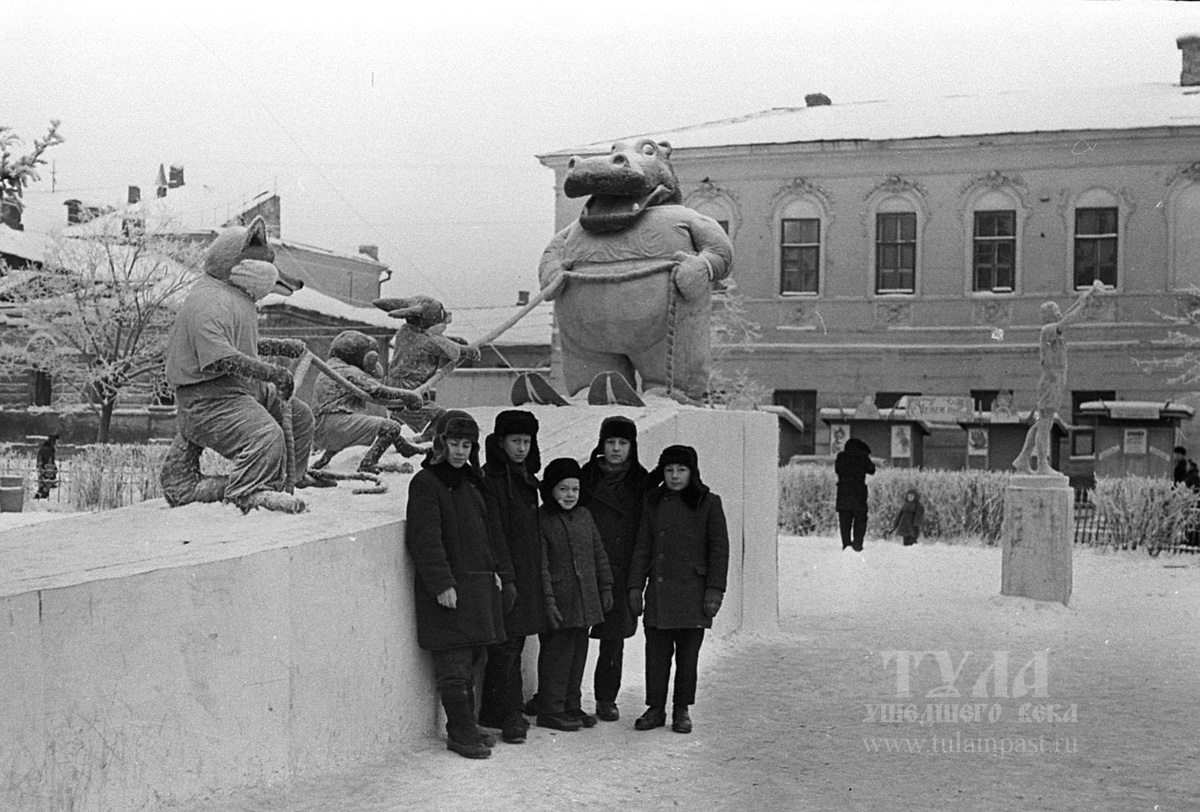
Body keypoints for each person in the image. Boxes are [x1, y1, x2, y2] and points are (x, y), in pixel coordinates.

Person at [405, 410, 511, 759]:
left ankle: (464, 724)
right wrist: (441, 584)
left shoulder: (473, 481)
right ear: (440, 443)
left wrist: (494, 570)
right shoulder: (426, 483)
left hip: (478, 588)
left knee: (473, 658)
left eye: (467, 445)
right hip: (450, 590)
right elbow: (424, 539)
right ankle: (460, 731)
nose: (460, 451)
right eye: (454, 443)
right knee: (453, 664)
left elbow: (486, 534)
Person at [627, 445, 729, 735]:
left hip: (693, 594)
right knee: (656, 655)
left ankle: (681, 708)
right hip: (659, 593)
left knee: (687, 657)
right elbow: (642, 547)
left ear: (692, 472)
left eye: (681, 470)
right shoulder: (654, 502)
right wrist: (636, 585)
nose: (674, 476)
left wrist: (714, 590)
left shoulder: (709, 502)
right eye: (669, 470)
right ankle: (655, 708)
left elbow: (719, 551)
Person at [478, 410, 543, 744]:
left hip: (525, 572)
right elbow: (496, 532)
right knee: (506, 647)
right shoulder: (493, 479)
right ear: (500, 442)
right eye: (515, 441)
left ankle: (494, 709)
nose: (521, 448)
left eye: (526, 441)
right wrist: (508, 576)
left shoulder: (525, 477)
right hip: (508, 574)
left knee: (514, 643)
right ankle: (510, 712)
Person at [536, 457, 613, 732]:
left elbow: (599, 553)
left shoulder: (584, 516)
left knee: (578, 653)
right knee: (557, 654)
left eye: (575, 490)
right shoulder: (543, 519)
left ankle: (571, 703)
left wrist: (605, 587)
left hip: (584, 599)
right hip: (560, 599)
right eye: (563, 489)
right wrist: (548, 601)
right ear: (551, 491)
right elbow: (542, 565)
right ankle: (551, 708)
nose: (570, 495)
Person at [580, 415, 648, 722]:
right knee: (573, 634)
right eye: (611, 442)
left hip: (620, 569)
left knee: (613, 641)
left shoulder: (641, 481)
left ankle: (606, 698)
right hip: (586, 566)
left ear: (632, 447)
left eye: (623, 443)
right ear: (601, 444)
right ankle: (565, 695)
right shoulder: (587, 476)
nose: (616, 449)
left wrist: (636, 578)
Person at [1013, 280, 1104, 474]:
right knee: (1045, 424)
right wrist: (1081, 304)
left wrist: (1083, 304)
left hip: (1054, 381)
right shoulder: (1048, 331)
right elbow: (1067, 321)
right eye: (1055, 310)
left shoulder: (1056, 335)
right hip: (1050, 382)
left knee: (1042, 423)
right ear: (1049, 315)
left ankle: (1022, 459)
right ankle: (1042, 464)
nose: (1059, 312)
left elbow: (1071, 320)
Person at [835, 437, 876, 552]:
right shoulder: (862, 456)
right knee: (860, 519)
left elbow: (837, 470)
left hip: (843, 492)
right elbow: (872, 470)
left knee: (844, 521)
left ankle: (846, 545)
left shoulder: (841, 456)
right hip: (858, 493)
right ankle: (857, 544)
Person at [34, 434, 59, 499]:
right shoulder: (48, 450)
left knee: (43, 486)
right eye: (56, 443)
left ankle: (40, 496)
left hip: (42, 468)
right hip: (46, 470)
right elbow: (50, 462)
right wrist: (54, 468)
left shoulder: (44, 448)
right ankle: (41, 497)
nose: (57, 445)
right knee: (45, 485)